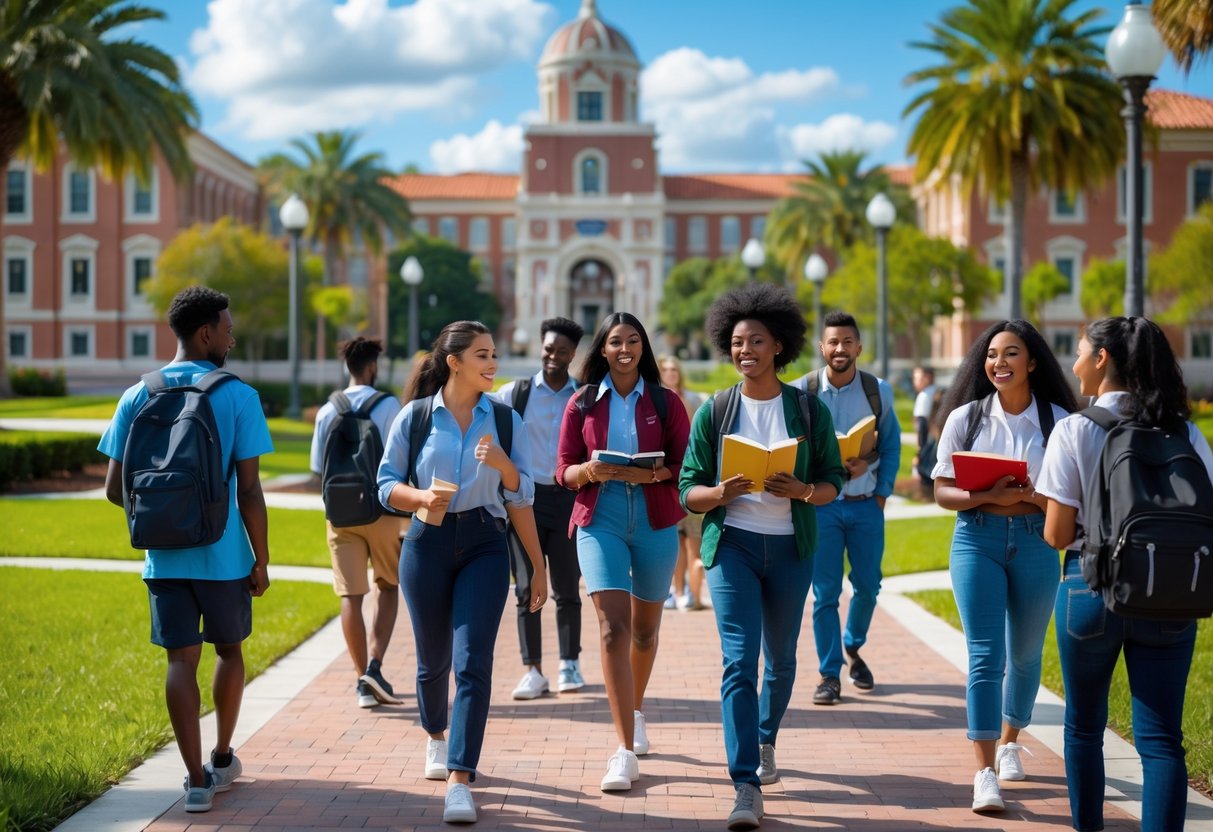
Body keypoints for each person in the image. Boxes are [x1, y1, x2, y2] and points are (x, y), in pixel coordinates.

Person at [98, 286, 272, 813]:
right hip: (223, 556)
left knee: (180, 660)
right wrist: (261, 558)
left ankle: (195, 781)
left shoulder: (136, 395)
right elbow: (251, 491)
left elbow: (113, 487)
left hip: (163, 558)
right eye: (227, 327)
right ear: (206, 334)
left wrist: (162, 520)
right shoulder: (237, 395)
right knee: (230, 649)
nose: (232, 335)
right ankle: (222, 757)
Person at [679, 284, 844, 831]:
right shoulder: (716, 411)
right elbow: (688, 490)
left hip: (791, 548)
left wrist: (801, 491)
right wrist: (720, 494)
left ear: (778, 346)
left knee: (783, 659)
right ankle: (745, 783)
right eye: (735, 342)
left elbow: (831, 483)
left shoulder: (807, 409)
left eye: (754, 341)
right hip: (734, 547)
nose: (743, 349)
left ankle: (765, 738)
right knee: (738, 660)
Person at [1038, 317, 1213, 832]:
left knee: (1085, 729)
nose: (1072, 364)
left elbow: (1055, 534)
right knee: (1161, 742)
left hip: (1089, 590)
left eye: (1078, 352)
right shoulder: (1186, 432)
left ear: (1102, 359)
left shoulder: (1075, 429)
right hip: (1169, 590)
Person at [377, 320, 548, 824]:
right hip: (425, 543)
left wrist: (537, 568)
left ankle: (460, 777)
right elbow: (385, 485)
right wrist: (421, 497)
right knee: (432, 661)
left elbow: (521, 497)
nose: (493, 363)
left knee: (472, 662)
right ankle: (435, 734)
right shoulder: (414, 417)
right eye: (482, 355)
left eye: (493, 353)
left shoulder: (505, 419)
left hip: (485, 545)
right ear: (454, 363)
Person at [930, 319, 1077, 814]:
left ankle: (1012, 736)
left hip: (1037, 542)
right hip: (977, 540)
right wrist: (985, 494)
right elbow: (942, 491)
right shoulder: (966, 419)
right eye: (992, 354)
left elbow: (1070, 497)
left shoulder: (1059, 421)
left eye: (1011, 353)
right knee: (984, 656)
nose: (999, 363)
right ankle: (985, 772)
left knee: (1027, 654)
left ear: (1032, 361)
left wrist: (1036, 495)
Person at [555, 312, 690, 793]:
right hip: (601, 518)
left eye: (634, 340)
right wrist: (590, 471)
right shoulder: (582, 403)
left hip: (655, 518)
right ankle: (624, 750)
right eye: (616, 341)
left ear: (643, 348)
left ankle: (634, 709)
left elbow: (684, 465)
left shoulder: (665, 401)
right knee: (614, 627)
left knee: (646, 631)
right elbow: (563, 471)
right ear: (604, 350)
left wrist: (650, 475)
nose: (625, 347)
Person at [793, 311, 901, 705]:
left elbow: (890, 446)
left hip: (864, 506)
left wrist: (880, 489)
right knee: (824, 594)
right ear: (821, 348)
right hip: (820, 508)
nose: (840, 349)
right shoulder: (801, 391)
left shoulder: (878, 392)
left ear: (859, 346)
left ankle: (852, 646)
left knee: (869, 586)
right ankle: (829, 673)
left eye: (847, 342)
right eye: (832, 342)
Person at [308, 337, 405, 710]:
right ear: (373, 366)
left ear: (347, 365)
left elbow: (318, 469)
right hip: (380, 511)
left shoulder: (326, 411)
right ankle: (376, 668)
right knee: (388, 584)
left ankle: (361, 676)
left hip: (340, 513)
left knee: (350, 594)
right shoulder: (388, 406)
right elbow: (400, 458)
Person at [493, 316, 587, 700]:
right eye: (549, 348)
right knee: (527, 585)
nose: (554, 356)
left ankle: (569, 663)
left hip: (567, 500)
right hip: (523, 502)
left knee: (567, 587)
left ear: (572, 355)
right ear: (541, 347)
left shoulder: (584, 396)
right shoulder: (512, 394)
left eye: (562, 351)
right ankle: (532, 669)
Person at [659, 354, 707, 611]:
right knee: (676, 539)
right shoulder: (655, 400)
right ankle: (678, 591)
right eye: (665, 369)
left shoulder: (692, 399)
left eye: (673, 369)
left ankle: (692, 593)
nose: (670, 373)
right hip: (667, 479)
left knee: (693, 538)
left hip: (692, 476)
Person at [911, 366, 938, 498]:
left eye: (917, 378)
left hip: (928, 445)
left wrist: (919, 452)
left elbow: (921, 425)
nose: (914, 381)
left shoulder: (924, 395)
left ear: (927, 378)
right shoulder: (937, 392)